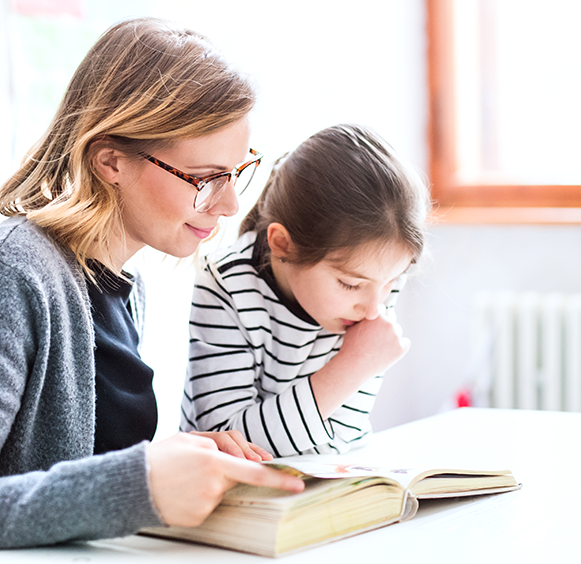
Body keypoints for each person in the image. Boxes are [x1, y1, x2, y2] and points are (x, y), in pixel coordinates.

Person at [0, 17, 303, 564]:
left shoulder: (119, 282)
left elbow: (78, 479)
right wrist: (136, 483)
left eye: (238, 172)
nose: (230, 204)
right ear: (111, 160)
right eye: (204, 177)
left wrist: (170, 468)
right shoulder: (3, 280)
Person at [179, 124, 430, 457]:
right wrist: (352, 366)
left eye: (391, 283)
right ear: (282, 245)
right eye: (350, 284)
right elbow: (227, 445)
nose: (373, 309)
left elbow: (340, 441)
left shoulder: (373, 290)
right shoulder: (224, 283)